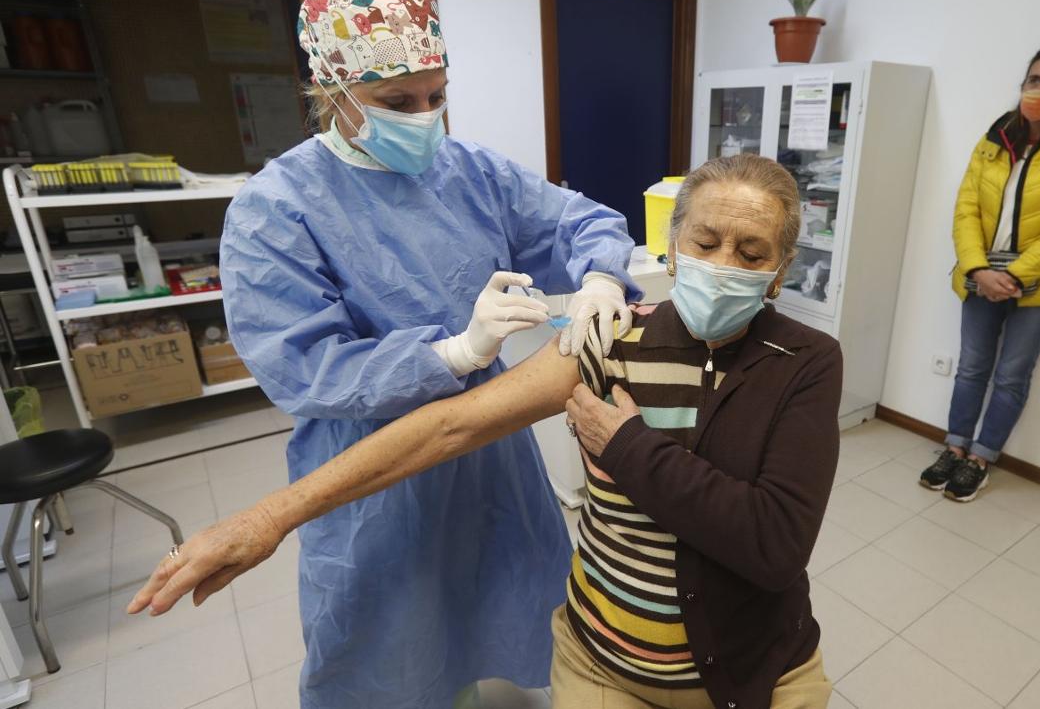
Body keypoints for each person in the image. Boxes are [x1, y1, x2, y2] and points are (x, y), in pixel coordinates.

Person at [132, 154, 843, 709]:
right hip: (606, 665)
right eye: (706, 241)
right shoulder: (611, 342)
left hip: (752, 668)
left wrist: (627, 446)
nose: (723, 268)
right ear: (671, 249)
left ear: (780, 275)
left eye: (751, 255)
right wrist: (269, 516)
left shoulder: (807, 362)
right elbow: (445, 427)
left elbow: (772, 544)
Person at [216, 0, 640, 708]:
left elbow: (580, 220)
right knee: (395, 648)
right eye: (396, 102)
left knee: (493, 597)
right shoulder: (274, 210)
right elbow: (305, 368)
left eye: (437, 96)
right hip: (372, 471)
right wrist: (454, 352)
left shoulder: (469, 171)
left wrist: (601, 277)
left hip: (486, 451)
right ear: (332, 92)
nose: (425, 118)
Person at [921, 43, 1040, 502]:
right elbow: (966, 208)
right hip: (981, 273)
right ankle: (954, 447)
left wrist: (1017, 275)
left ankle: (981, 459)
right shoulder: (996, 136)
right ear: (1023, 84)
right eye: (1035, 80)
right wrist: (977, 268)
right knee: (971, 368)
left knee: (1011, 375)